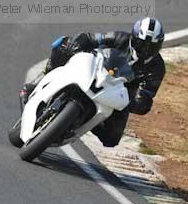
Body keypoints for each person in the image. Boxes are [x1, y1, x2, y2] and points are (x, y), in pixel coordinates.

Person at [20, 17, 166, 148]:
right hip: (95, 70)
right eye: (142, 44)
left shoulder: (157, 68)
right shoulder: (120, 37)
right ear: (134, 38)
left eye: (151, 47)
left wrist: (136, 104)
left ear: (159, 45)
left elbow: (146, 97)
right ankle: (38, 81)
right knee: (63, 44)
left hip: (117, 94)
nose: (146, 50)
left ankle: (87, 123)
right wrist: (77, 44)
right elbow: (90, 38)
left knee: (112, 139)